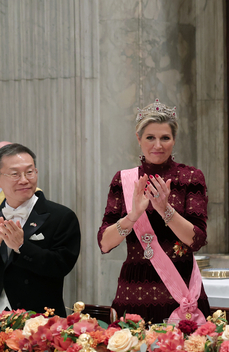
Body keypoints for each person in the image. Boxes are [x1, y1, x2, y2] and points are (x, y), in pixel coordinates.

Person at [98, 99, 210, 324]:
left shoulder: (190, 178)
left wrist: (165, 210)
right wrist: (132, 217)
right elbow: (105, 243)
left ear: (174, 140)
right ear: (138, 139)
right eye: (150, 137)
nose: (157, 145)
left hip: (180, 290)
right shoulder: (124, 180)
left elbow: (197, 240)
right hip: (133, 292)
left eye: (165, 138)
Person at [0, 143, 80, 317]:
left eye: (29, 172)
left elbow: (60, 266)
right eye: (15, 174)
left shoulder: (61, 216)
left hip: (41, 322)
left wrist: (21, 246)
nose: (24, 180)